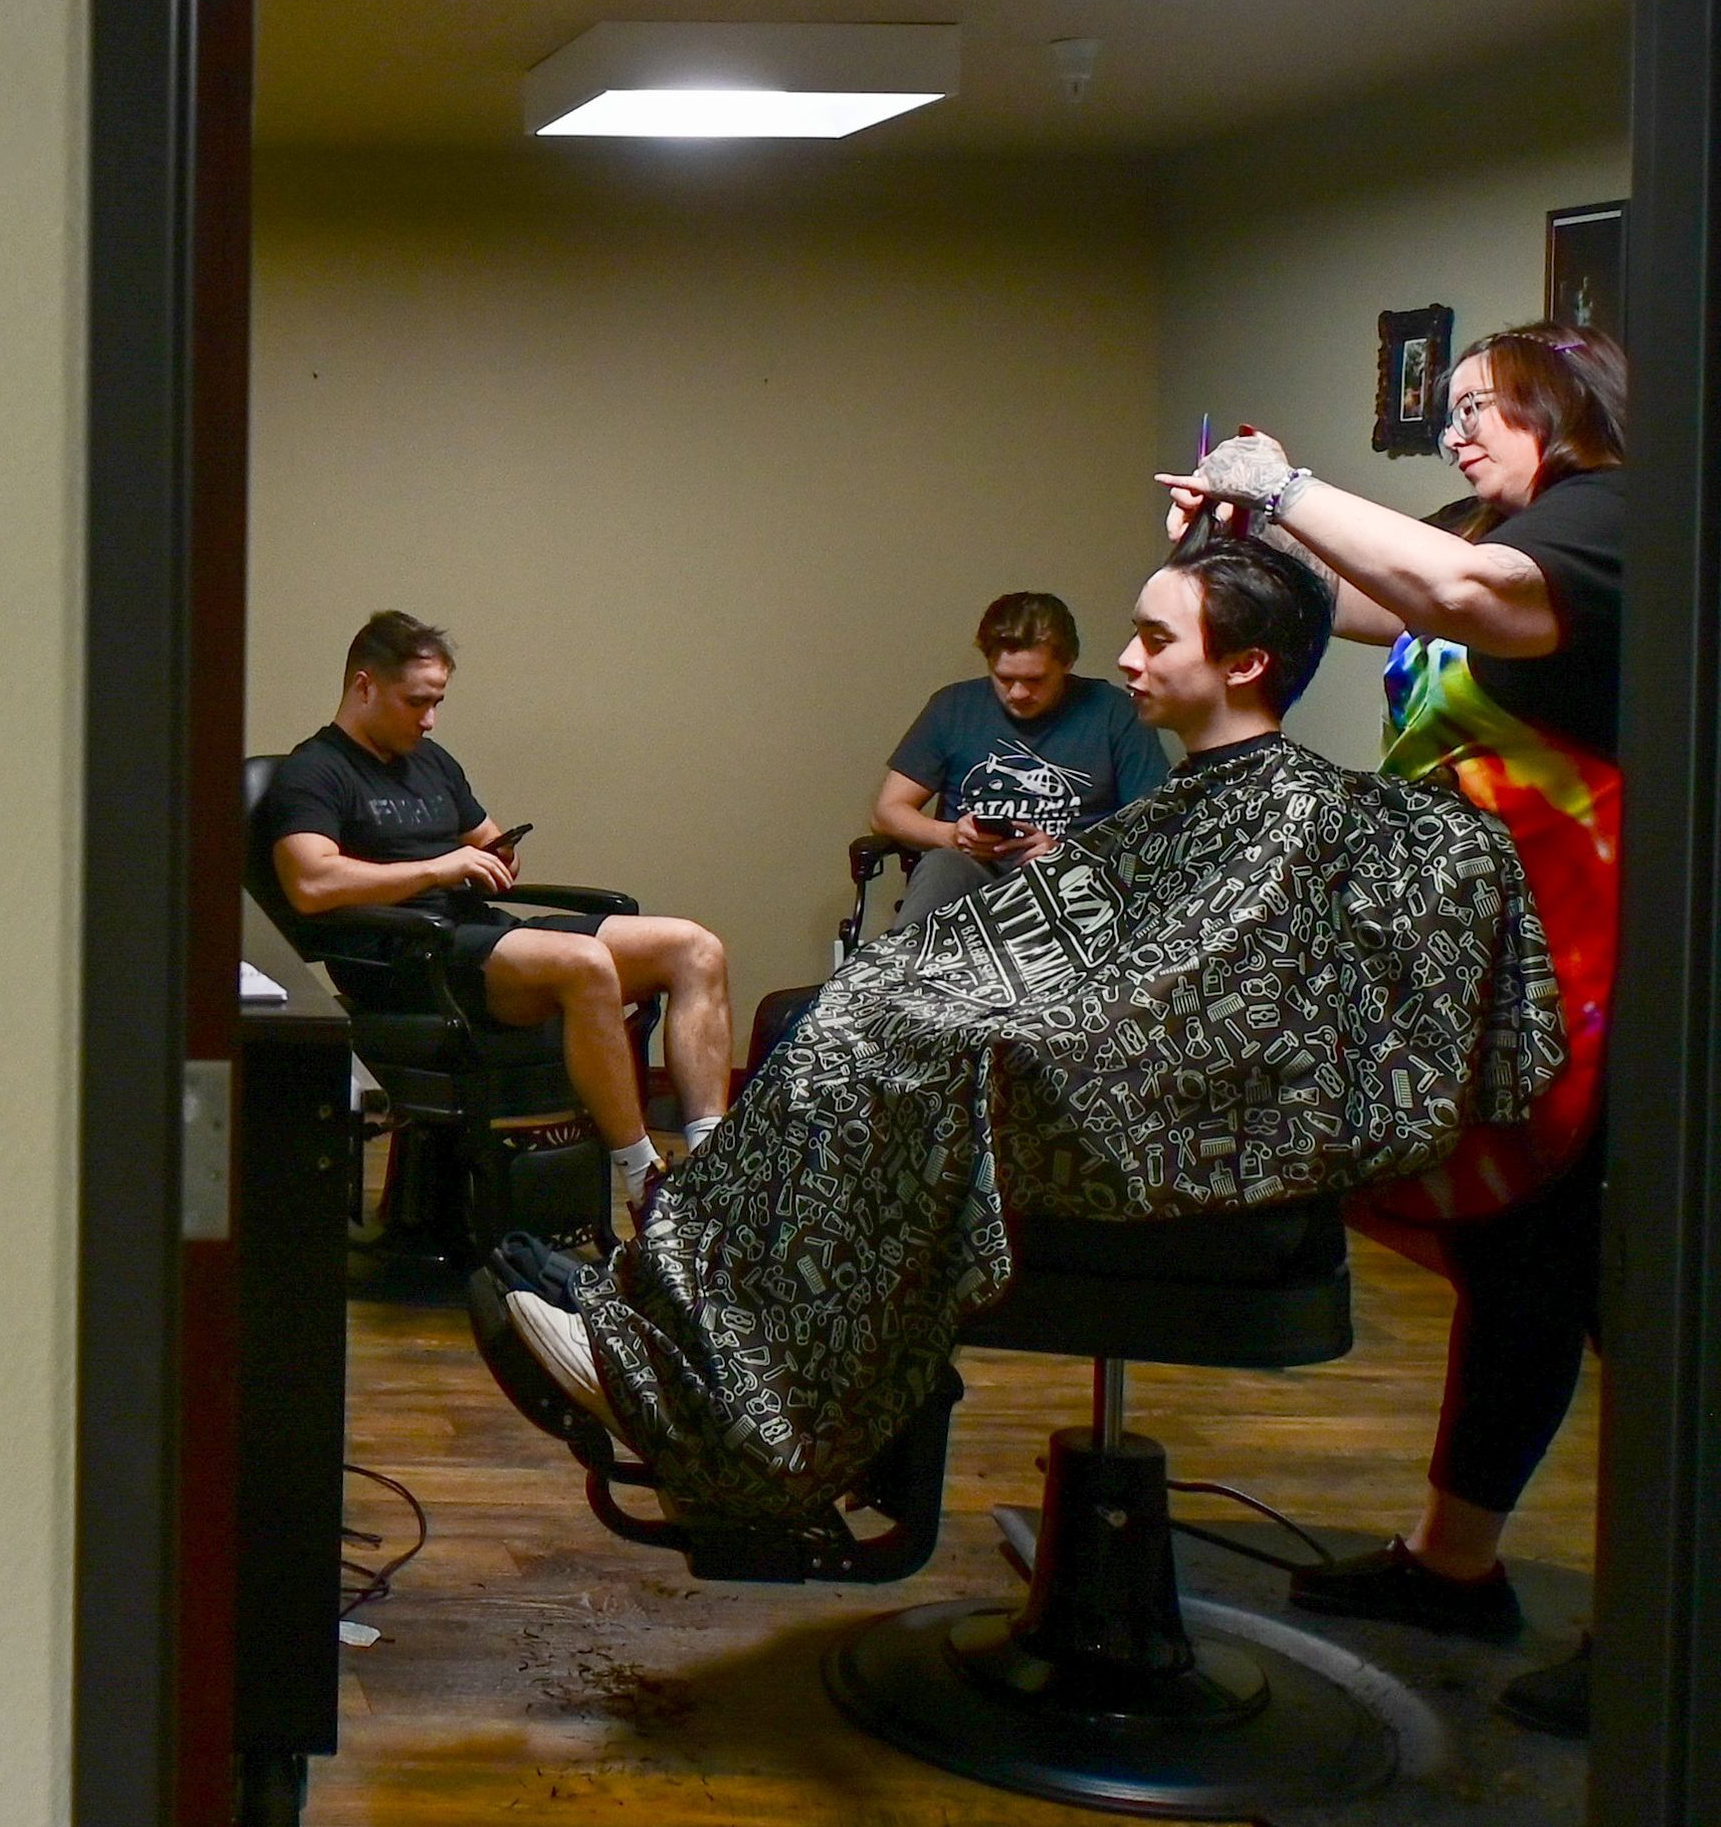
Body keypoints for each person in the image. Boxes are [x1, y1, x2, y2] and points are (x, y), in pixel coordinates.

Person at [495, 534, 1562, 1537]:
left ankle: (716, 1413)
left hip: (1146, 1124)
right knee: (838, 1029)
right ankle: (657, 1339)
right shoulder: (1199, 793)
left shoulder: (1288, 814)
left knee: (880, 1057)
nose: (1130, 660)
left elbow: (1183, 995)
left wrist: (987, 1025)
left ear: (1244, 664)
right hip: (1098, 1065)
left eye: (1157, 638)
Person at [1163, 324, 1624, 1735]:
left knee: (1622, 1297)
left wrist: (1288, 483)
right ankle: (1453, 1564)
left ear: (1572, 408)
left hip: (1598, 960)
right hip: (1493, 954)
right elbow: (1379, 602)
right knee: (1520, 1268)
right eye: (1458, 408)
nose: (1462, 433)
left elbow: (1470, 595)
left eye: (1489, 408)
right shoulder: (1491, 520)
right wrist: (1239, 540)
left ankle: (1664, 1619)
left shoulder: (1606, 518)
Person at [255, 611, 737, 1232]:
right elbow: (311, 882)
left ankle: (711, 1168)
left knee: (694, 948)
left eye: (438, 703)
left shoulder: (430, 760)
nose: (428, 719)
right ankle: (644, 1181)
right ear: (364, 686)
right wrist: (438, 868)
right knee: (585, 964)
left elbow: (482, 838)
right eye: (416, 702)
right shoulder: (313, 771)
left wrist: (496, 851)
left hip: (478, 935)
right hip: (404, 960)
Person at [869, 590, 1169, 924]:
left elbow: (1153, 827)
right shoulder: (953, 707)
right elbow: (887, 812)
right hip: (972, 870)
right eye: (1004, 678)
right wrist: (951, 835)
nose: (1018, 693)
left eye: (1034, 679)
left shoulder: (1114, 712)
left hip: (1072, 879)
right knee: (941, 866)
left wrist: (1069, 854)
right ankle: (903, 973)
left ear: (1067, 663)